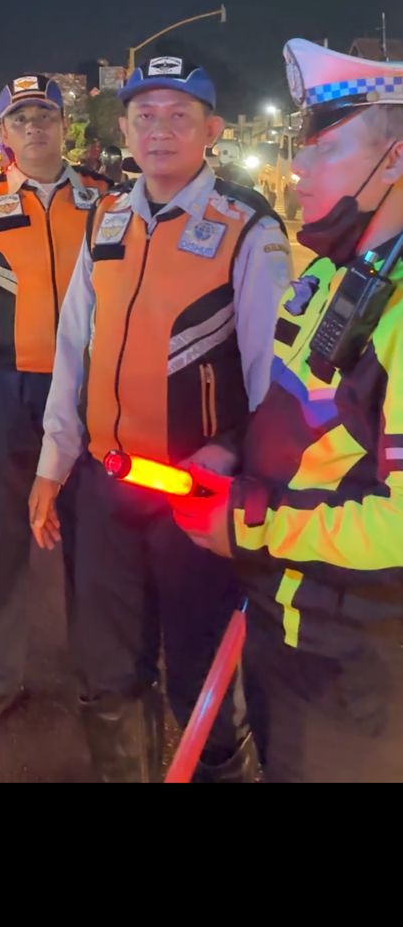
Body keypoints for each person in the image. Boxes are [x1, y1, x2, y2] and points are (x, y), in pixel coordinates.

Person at [29, 54, 291, 782]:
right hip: (106, 484)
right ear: (123, 130)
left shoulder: (247, 227)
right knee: (108, 673)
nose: (160, 130)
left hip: (197, 497)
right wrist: (53, 465)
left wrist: (246, 474)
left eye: (179, 116)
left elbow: (275, 382)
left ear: (213, 130)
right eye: (145, 115)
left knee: (205, 681)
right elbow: (73, 349)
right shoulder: (107, 219)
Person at [173, 39, 403, 783]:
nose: (297, 168)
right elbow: (302, 413)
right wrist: (234, 450)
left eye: (325, 149)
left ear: (394, 160)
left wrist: (250, 523)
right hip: (290, 627)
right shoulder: (338, 273)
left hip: (358, 667)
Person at [0, 74, 110, 733]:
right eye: (21, 119)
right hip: (5, 395)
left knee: (95, 541)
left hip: (89, 394)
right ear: (4, 133)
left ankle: (101, 677)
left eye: (45, 117)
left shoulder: (104, 202)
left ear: (66, 127)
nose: (35, 128)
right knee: (1, 537)